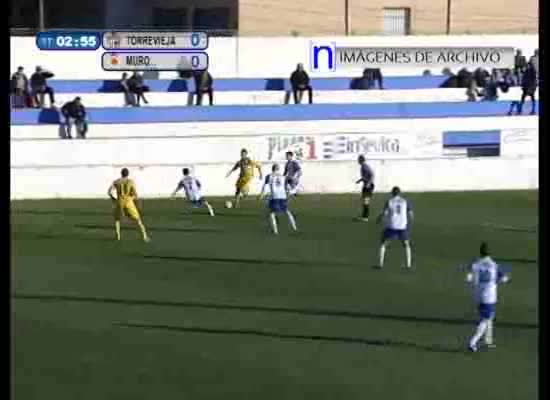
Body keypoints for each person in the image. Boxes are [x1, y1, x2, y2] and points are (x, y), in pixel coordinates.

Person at [466, 242, 510, 352]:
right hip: (489, 297)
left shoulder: (475, 264)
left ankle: (488, 341)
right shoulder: (494, 265)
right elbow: (504, 278)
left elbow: (468, 278)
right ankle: (472, 342)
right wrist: (500, 280)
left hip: (478, 295)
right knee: (486, 320)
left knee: (488, 317)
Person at [107, 168, 150, 242]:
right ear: (128, 174)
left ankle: (118, 236)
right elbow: (135, 194)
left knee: (117, 220)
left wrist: (113, 199)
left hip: (119, 202)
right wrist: (131, 199)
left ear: (121, 173)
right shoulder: (130, 182)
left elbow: (109, 192)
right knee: (137, 220)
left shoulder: (116, 181)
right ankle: (144, 236)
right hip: (128, 202)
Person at [375, 186, 413, 269]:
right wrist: (409, 223)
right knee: (406, 244)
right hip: (402, 226)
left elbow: (384, 213)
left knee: (384, 243)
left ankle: (380, 264)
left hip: (392, 226)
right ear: (400, 193)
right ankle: (408, 264)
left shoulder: (389, 201)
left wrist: (379, 219)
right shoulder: (405, 201)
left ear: (392, 193)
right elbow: (410, 214)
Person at [260, 164, 298, 235]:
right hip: (283, 196)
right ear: (278, 169)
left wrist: (262, 194)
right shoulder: (283, 176)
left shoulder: (269, 176)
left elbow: (265, 186)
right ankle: (294, 227)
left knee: (272, 213)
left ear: (272, 169)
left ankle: (275, 231)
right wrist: (292, 190)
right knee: (287, 212)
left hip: (274, 196)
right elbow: (292, 181)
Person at [355, 155, 375, 222]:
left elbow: (372, 174)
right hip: (366, 185)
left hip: (368, 186)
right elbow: (365, 176)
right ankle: (364, 215)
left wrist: (368, 184)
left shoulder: (365, 166)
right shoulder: (363, 166)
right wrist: (360, 180)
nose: (357, 161)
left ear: (361, 160)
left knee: (366, 201)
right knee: (364, 201)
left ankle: (365, 217)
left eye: (358, 160)